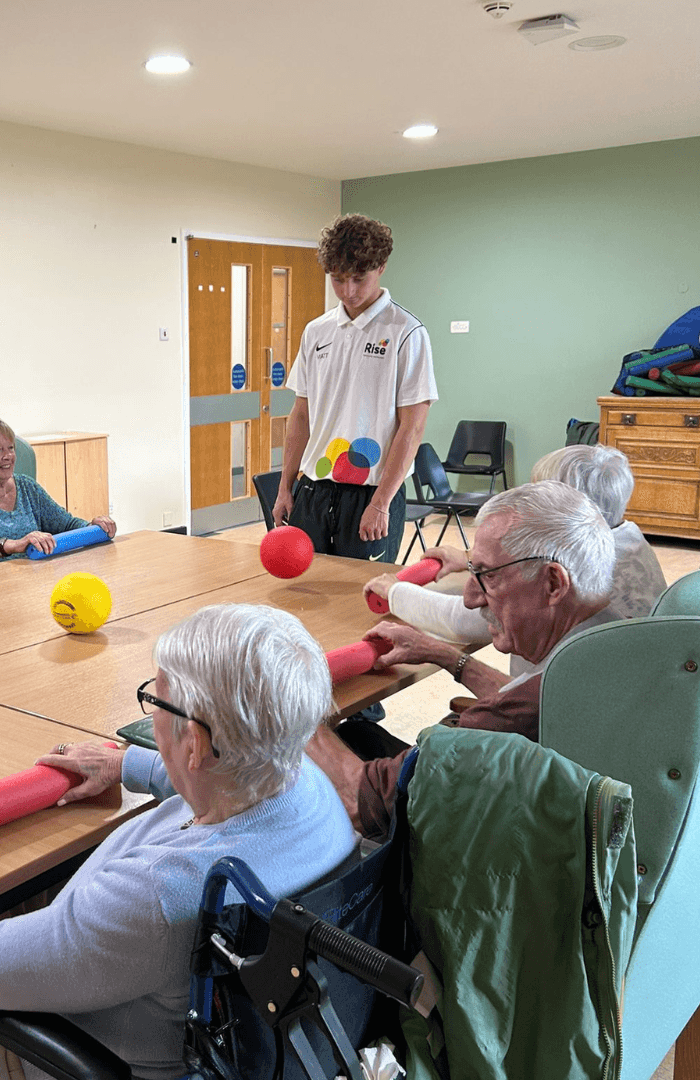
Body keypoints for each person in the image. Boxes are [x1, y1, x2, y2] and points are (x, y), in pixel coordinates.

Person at [0, 604, 355, 1080]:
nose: (152, 713)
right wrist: (127, 763)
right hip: (236, 1028)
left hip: (94, 1051)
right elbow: (226, 774)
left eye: (156, 700)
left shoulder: (155, 894)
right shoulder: (304, 782)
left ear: (195, 745)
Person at [307, 481, 618, 836]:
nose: (471, 598)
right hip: (532, 812)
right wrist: (442, 654)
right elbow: (524, 701)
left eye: (488, 576)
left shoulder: (527, 707)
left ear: (553, 584)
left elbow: (363, 803)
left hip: (483, 843)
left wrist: (288, 705)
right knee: (359, 733)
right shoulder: (612, 640)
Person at [363, 444, 666, 681]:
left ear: (571, 509)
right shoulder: (629, 542)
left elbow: (464, 620)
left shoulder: (583, 569)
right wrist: (470, 560)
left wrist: (394, 592)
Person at [272, 214, 437, 564]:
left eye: (359, 278)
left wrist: (381, 502)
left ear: (381, 267)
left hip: (371, 494)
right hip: (313, 490)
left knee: (360, 593)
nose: (348, 291)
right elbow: (300, 415)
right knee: (306, 587)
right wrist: (285, 487)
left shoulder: (407, 332)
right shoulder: (316, 332)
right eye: (337, 278)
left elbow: (412, 427)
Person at [0, 414, 116, 561]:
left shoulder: (26, 486)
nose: (8, 456)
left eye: (11, 448)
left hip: (36, 577)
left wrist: (93, 526)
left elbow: (67, 524)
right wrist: (14, 545)